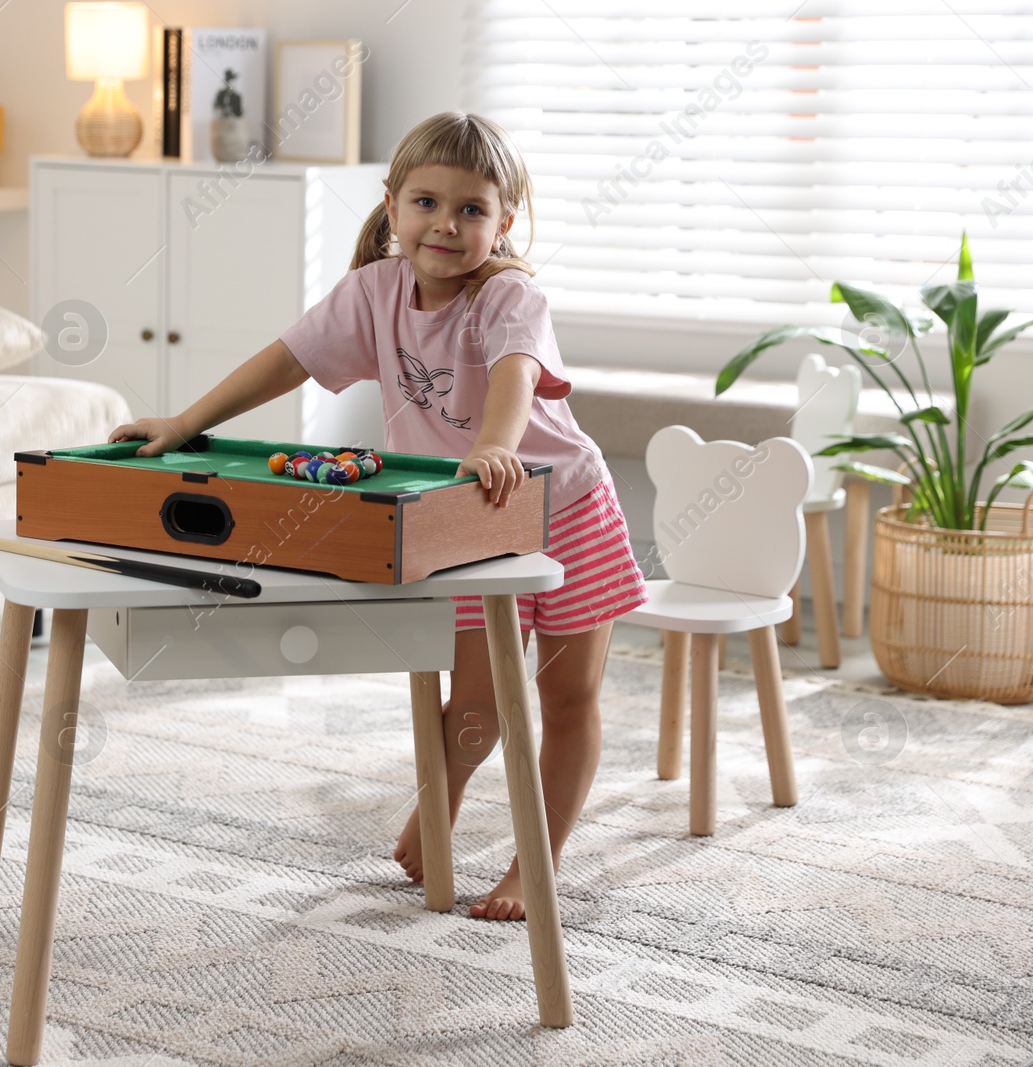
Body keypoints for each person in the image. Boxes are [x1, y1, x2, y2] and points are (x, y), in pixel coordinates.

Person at [109, 111, 646, 920]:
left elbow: (515, 380)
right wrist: (185, 423)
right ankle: (442, 802)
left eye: (472, 209)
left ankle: (535, 868)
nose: (447, 224)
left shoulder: (510, 295)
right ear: (392, 206)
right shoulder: (374, 292)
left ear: (505, 223)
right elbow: (285, 359)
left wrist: (493, 447)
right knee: (474, 702)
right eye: (427, 202)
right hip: (460, 520)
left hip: (563, 506)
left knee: (568, 698)